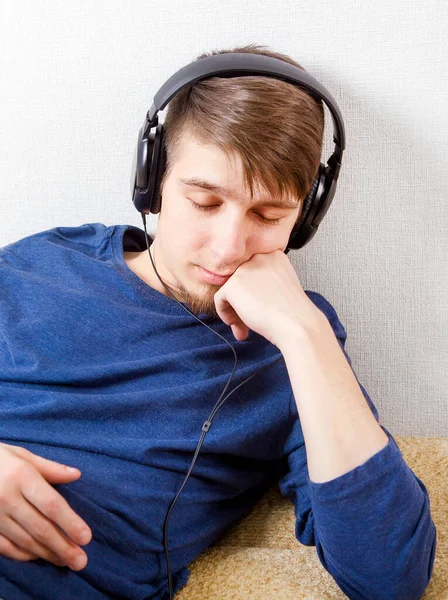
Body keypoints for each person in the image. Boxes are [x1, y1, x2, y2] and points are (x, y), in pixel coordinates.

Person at [0, 44, 436, 600]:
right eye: (205, 202)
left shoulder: (293, 344)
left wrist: (304, 335)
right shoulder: (36, 266)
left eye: (268, 215)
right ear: (152, 178)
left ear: (305, 218)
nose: (228, 247)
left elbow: (390, 580)